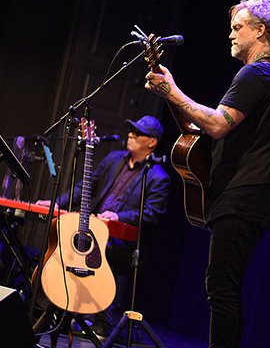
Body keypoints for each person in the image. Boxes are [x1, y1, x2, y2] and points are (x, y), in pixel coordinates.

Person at [145, 0, 270, 348]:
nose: (230, 33)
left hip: (247, 193)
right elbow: (200, 131)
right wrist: (171, 95)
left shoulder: (256, 74)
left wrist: (174, 89)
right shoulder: (262, 75)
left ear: (260, 30)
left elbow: (216, 125)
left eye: (238, 26)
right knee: (223, 286)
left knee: (222, 287)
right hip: (248, 193)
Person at [36, 114, 170, 335]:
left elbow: (151, 213)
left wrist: (119, 217)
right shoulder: (114, 159)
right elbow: (83, 187)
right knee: (61, 241)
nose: (130, 135)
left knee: (97, 252)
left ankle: (102, 321)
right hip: (92, 230)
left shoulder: (157, 177)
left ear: (152, 142)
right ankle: (52, 307)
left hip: (122, 244)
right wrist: (56, 203)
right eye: (130, 130)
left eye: (137, 133)